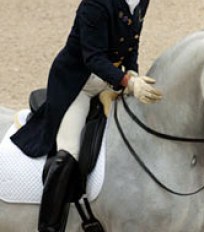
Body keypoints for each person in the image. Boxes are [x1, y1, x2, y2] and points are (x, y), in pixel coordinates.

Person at [10, 0, 162, 231]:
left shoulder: (140, 1)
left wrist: (132, 71)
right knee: (69, 152)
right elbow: (92, 57)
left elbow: (132, 44)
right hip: (77, 84)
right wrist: (127, 81)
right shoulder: (95, 4)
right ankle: (49, 225)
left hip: (108, 82)